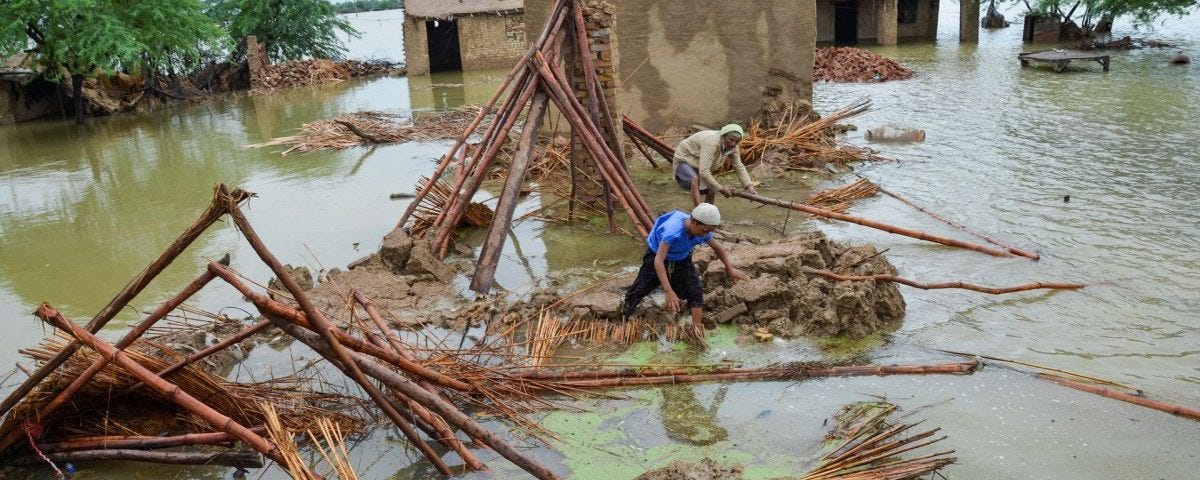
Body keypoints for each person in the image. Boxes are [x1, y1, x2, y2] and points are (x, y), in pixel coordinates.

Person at [622, 203, 750, 334]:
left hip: (682, 256)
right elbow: (658, 261)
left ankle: (697, 329)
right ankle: (623, 317)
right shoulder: (673, 232)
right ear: (693, 222)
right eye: (704, 231)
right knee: (639, 289)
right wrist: (668, 291)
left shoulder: (702, 231)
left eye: (709, 231)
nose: (705, 235)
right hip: (656, 255)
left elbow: (717, 247)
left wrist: (730, 268)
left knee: (695, 288)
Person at [673, 123, 757, 206]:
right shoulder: (711, 143)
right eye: (731, 140)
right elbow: (704, 172)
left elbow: (738, 165)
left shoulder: (734, 147)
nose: (733, 144)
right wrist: (722, 189)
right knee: (694, 180)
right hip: (685, 158)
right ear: (723, 136)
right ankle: (698, 212)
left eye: (736, 141)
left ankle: (709, 213)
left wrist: (749, 186)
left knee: (711, 188)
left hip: (699, 162)